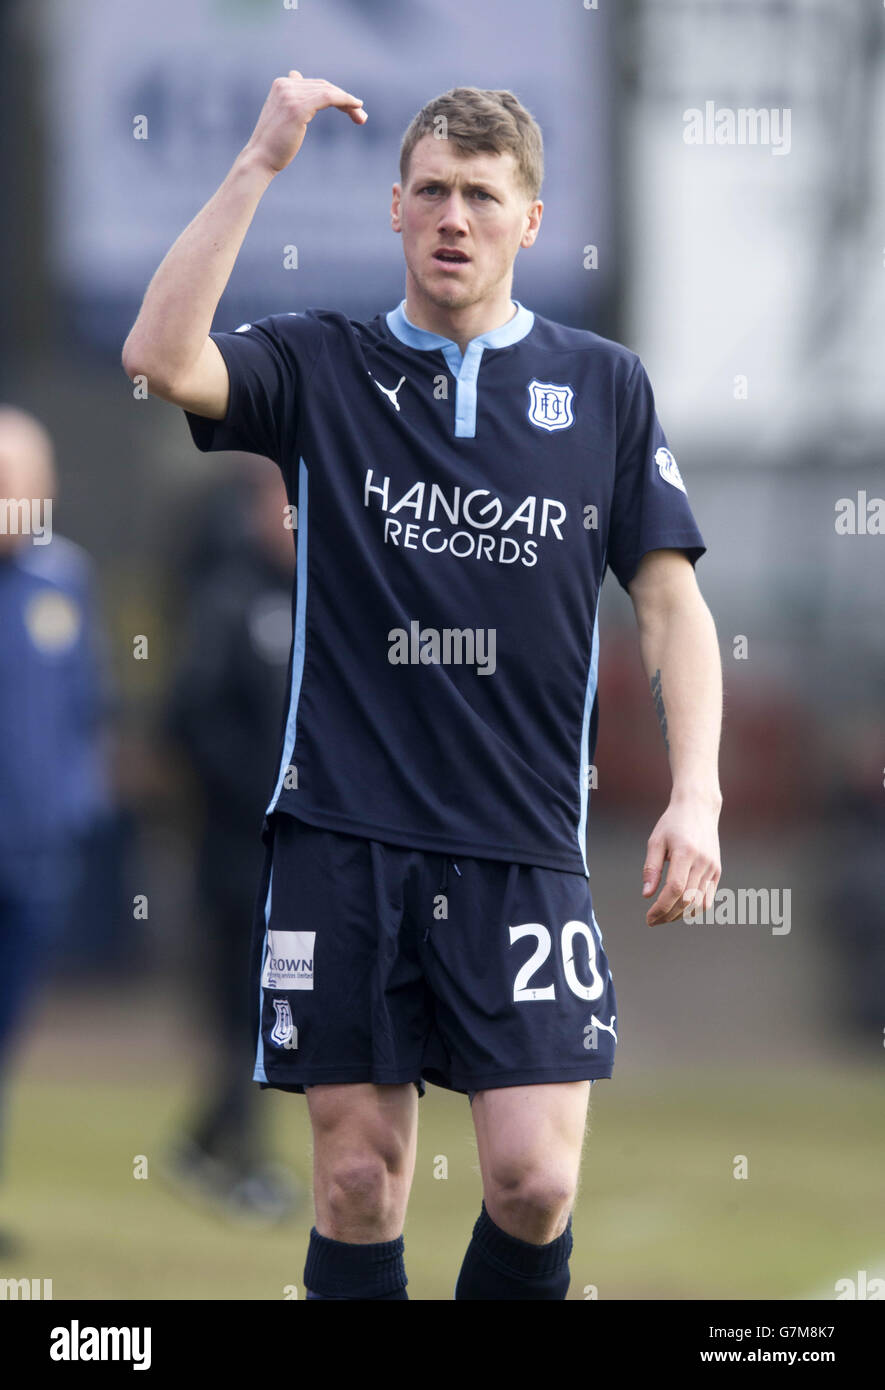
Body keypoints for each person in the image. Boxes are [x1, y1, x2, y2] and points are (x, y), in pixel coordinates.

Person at [122, 78, 723, 1300]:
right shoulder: (320, 365)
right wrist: (259, 161)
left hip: (521, 843)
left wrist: (696, 794)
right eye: (435, 192)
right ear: (396, 208)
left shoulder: (602, 387)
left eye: (484, 196)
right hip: (343, 837)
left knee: (534, 1181)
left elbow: (671, 604)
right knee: (355, 1181)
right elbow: (158, 356)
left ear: (531, 222)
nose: (457, 216)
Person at [162, 458, 302, 1222]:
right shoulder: (228, 599)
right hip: (236, 852)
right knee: (245, 1009)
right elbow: (186, 718)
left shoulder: (320, 596)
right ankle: (239, 1160)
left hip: (302, 854)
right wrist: (254, 794)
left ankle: (202, 1142)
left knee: (278, 1007)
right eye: (283, 503)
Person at [0, 407, 112, 1253]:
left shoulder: (63, 579)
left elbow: (85, 707)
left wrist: (79, 804)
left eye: (24, 483)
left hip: (36, 856)